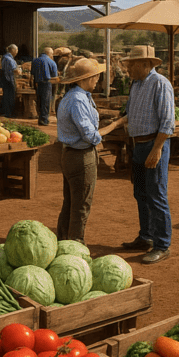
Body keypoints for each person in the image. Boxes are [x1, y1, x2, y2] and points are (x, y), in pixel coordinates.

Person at [112, 46, 175, 264]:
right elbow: (130, 114)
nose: (128, 68)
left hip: (153, 144)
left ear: (146, 64)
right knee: (140, 193)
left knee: (156, 195)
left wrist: (157, 149)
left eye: (132, 64)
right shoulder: (136, 85)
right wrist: (114, 125)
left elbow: (168, 122)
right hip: (138, 145)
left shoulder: (160, 84)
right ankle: (146, 236)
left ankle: (162, 245)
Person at [55, 59, 106, 244]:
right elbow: (88, 134)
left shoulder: (74, 96)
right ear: (87, 78)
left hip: (71, 154)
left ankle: (62, 239)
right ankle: (76, 243)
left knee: (70, 201)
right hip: (80, 156)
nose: (98, 79)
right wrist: (101, 134)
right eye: (96, 76)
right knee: (81, 205)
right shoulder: (78, 99)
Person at [31, 47, 59, 125]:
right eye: (52, 54)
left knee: (39, 100)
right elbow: (55, 77)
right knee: (46, 101)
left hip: (37, 83)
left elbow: (32, 74)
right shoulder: (52, 62)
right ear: (49, 53)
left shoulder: (35, 60)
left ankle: (40, 118)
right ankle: (44, 120)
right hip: (47, 83)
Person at [0, 44, 21, 117]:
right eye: (16, 50)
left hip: (6, 79)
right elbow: (15, 71)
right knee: (10, 96)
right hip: (9, 80)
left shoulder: (6, 57)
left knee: (7, 96)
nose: (17, 52)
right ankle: (8, 113)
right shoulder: (9, 59)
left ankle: (6, 112)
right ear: (13, 50)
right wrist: (19, 70)